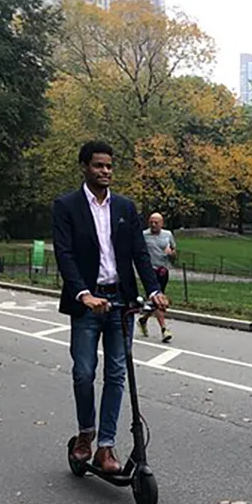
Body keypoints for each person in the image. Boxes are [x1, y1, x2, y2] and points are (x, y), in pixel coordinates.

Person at [52, 140, 170, 473]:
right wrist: (83, 294)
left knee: (117, 373)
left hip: (120, 302)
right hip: (88, 304)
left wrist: (154, 290)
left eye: (109, 166)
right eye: (98, 166)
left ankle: (106, 446)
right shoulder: (67, 206)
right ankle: (85, 433)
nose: (105, 171)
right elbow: (65, 255)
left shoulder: (125, 208)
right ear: (84, 167)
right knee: (84, 372)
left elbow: (139, 253)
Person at [138, 212, 176, 343]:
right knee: (158, 299)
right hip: (149, 272)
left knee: (157, 300)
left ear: (162, 223)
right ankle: (164, 330)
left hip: (163, 271)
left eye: (156, 222)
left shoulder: (168, 235)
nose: (153, 225)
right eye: (151, 222)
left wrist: (171, 253)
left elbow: (174, 252)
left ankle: (143, 319)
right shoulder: (143, 235)